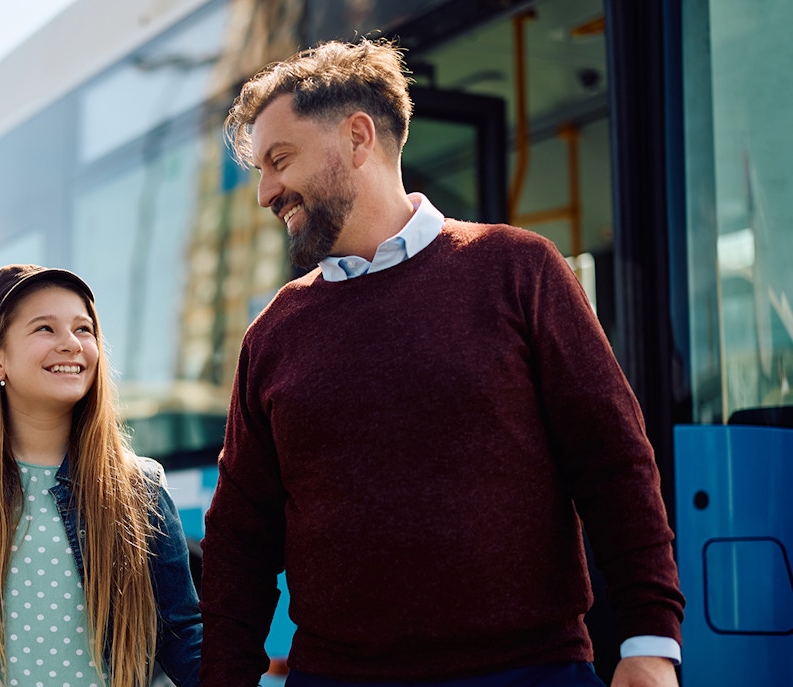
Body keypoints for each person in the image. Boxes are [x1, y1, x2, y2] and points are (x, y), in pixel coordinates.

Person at [200, 40, 684, 687]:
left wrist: (650, 640)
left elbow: (614, 461)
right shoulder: (273, 335)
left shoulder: (518, 269)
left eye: (279, 160)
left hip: (529, 673)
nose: (266, 192)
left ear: (357, 137)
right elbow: (240, 538)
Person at [0, 264, 201, 687]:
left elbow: (181, 633)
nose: (71, 344)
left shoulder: (139, 486)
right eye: (45, 329)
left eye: (83, 329)